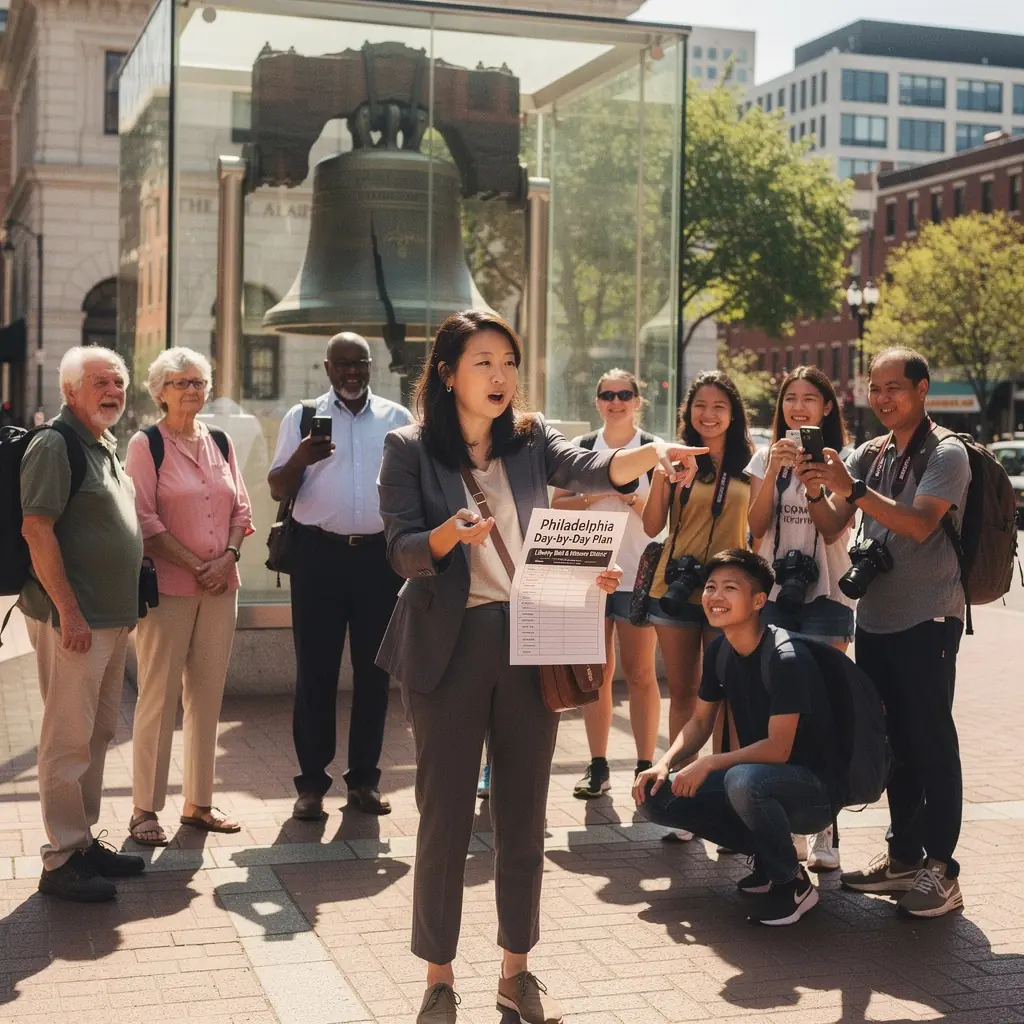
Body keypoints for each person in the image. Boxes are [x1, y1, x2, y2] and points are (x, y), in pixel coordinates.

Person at [375, 310, 705, 1024]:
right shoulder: (407, 448)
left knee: (525, 820)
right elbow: (400, 549)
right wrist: (444, 535)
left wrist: (654, 455)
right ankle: (437, 978)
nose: (501, 376)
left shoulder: (529, 441)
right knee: (444, 823)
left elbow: (594, 468)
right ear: (448, 373)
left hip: (532, 641)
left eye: (509, 362)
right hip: (448, 647)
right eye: (485, 362)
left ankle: (516, 972)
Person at [798, 347, 970, 919]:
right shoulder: (870, 454)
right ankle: (902, 858)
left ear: (923, 388)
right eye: (874, 388)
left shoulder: (946, 452)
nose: (883, 397)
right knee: (892, 743)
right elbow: (830, 526)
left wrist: (853, 489)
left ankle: (942, 870)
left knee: (931, 741)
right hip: (873, 618)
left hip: (928, 619)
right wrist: (817, 488)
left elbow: (921, 524)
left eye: (894, 386)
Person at [634, 549, 838, 926]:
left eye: (731, 588)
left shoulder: (785, 656)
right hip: (766, 782)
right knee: (655, 795)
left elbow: (779, 747)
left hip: (815, 794)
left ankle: (792, 883)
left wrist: (710, 762)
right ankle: (769, 858)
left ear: (759, 600)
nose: (716, 596)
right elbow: (699, 722)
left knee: (742, 779)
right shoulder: (720, 651)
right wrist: (662, 764)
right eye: (711, 587)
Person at [269, 332, 414, 821]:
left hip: (378, 558)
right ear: (327, 367)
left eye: (360, 365)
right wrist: (301, 458)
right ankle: (311, 785)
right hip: (318, 557)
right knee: (316, 672)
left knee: (375, 672)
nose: (352, 373)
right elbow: (276, 487)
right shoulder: (302, 417)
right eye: (343, 365)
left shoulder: (398, 419)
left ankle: (364, 781)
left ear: (370, 366)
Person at [18, 347, 146, 901]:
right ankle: (61, 859)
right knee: (67, 739)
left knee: (97, 734)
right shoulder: (56, 444)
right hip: (74, 620)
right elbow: (37, 530)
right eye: (99, 382)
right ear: (70, 391)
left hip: (110, 620)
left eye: (117, 382)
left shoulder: (104, 443)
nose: (112, 391)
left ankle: (84, 842)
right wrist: (69, 610)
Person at [123, 348, 254, 846]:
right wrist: (198, 564)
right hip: (170, 589)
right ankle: (144, 809)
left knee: (207, 696)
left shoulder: (219, 440)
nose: (192, 390)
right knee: (157, 697)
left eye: (199, 382)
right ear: (159, 391)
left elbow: (241, 508)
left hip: (222, 589)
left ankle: (198, 803)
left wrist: (228, 558)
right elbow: (145, 520)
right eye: (181, 383)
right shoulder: (146, 444)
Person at [746, 366, 854, 871]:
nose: (799, 407)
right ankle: (789, 821)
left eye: (811, 398)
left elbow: (834, 531)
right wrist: (772, 473)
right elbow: (755, 528)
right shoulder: (766, 455)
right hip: (776, 597)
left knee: (828, 712)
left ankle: (827, 831)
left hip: (828, 596)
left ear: (827, 408)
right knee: (782, 712)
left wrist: (815, 486)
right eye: (791, 398)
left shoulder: (844, 459)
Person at [551, 369, 663, 799]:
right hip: (588, 576)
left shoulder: (652, 450)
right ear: (596, 402)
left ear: (638, 400)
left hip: (639, 575)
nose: (616, 401)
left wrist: (631, 495)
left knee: (640, 674)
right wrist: (595, 495)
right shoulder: (581, 451)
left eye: (624, 394)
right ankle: (597, 766)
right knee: (594, 675)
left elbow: (661, 518)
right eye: (607, 395)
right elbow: (558, 505)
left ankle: (644, 765)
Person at [641, 371, 753, 797]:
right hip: (675, 590)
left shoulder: (752, 462)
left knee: (728, 695)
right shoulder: (676, 459)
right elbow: (653, 524)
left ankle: (729, 791)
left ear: (734, 414)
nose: (709, 415)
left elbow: (758, 530)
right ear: (688, 411)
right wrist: (659, 476)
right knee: (684, 692)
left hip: (730, 595)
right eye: (700, 406)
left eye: (719, 407)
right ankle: (680, 790)